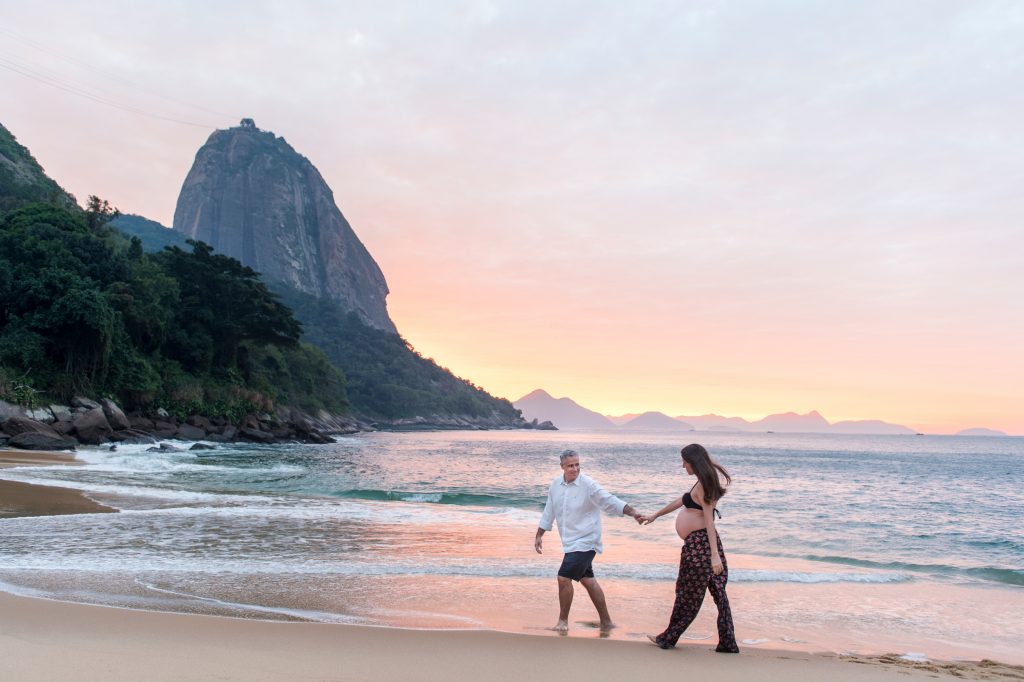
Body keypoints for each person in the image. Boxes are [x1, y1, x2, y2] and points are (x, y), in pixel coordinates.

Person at [639, 443, 739, 653]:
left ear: (694, 462)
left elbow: (709, 521)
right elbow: (680, 501)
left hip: (701, 547)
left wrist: (714, 556)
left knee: (689, 594)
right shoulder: (700, 483)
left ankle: (668, 638)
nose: (683, 465)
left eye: (685, 461)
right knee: (714, 593)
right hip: (700, 546)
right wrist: (655, 515)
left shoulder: (704, 486)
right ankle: (727, 643)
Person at [535, 449, 643, 633]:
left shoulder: (588, 485)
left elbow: (609, 500)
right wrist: (539, 534)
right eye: (570, 465)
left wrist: (633, 512)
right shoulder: (555, 485)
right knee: (588, 581)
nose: (575, 469)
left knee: (563, 578)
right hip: (570, 543)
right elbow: (549, 511)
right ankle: (607, 622)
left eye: (577, 464)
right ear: (562, 466)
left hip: (587, 540)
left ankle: (562, 623)